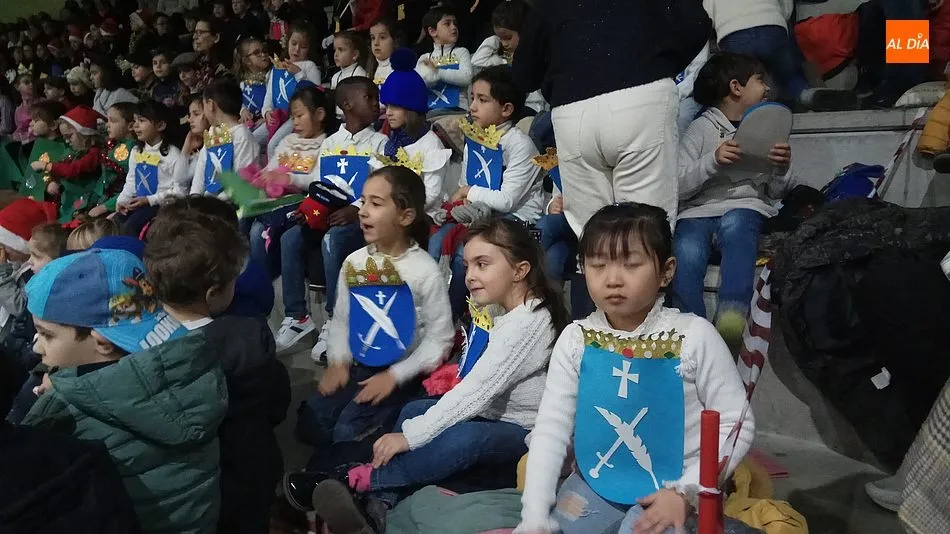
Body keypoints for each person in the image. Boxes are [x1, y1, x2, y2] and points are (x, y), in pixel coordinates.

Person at [291, 217, 567, 532]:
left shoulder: (530, 322)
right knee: (414, 410)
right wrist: (412, 431)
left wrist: (409, 438)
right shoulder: (498, 307)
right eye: (468, 265)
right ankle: (381, 500)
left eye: (482, 264)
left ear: (520, 270)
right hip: (493, 413)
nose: (470, 276)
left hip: (524, 429)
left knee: (464, 439)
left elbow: (475, 393)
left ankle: (354, 479)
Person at [516, 203, 755, 534]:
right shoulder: (575, 339)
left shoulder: (695, 336)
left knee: (636, 528)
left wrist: (686, 492)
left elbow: (736, 422)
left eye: (631, 265)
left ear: (667, 271)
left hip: (675, 486)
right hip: (600, 480)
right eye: (598, 265)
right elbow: (552, 427)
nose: (613, 279)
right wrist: (534, 514)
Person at [20, 248, 228, 534]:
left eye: (46, 334)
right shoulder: (196, 368)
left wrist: (61, 395)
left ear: (103, 343)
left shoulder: (59, 415)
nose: (37, 346)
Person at [144, 197, 292, 534]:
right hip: (245, 474)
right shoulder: (248, 337)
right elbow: (276, 400)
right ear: (214, 293)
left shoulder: (141, 343)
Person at [512, 0, 711, 236]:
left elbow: (523, 75)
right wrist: (660, 62)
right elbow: (696, 23)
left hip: (572, 110)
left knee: (593, 234)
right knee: (645, 228)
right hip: (642, 95)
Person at [294, 166, 454, 460]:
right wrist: (339, 362)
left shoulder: (424, 271)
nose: (363, 211)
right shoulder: (354, 263)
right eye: (363, 201)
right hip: (361, 366)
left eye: (376, 203)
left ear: (405, 216)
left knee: (346, 435)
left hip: (402, 374)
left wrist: (395, 376)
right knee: (311, 424)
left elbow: (440, 339)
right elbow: (342, 320)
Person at [670, 53, 792, 348]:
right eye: (759, 80)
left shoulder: (769, 130)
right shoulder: (700, 129)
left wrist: (781, 168)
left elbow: (776, 192)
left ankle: (732, 315)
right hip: (697, 211)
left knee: (739, 226)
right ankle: (691, 327)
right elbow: (678, 185)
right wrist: (712, 161)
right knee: (686, 248)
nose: (766, 88)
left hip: (745, 206)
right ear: (736, 87)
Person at [441, 65, 543, 318]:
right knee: (436, 242)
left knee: (464, 256)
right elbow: (465, 188)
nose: (473, 107)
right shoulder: (474, 140)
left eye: (482, 100)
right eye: (472, 98)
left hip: (518, 221)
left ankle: (455, 320)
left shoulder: (520, 145)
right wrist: (466, 198)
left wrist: (468, 191)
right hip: (482, 215)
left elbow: (506, 200)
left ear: (506, 109)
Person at [305, 77, 387, 357]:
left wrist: (356, 208)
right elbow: (318, 184)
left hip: (361, 218)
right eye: (370, 97)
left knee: (333, 239)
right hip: (331, 213)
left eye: (377, 98)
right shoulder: (330, 142)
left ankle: (334, 319)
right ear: (347, 104)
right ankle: (296, 317)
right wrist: (311, 208)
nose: (377, 104)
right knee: (289, 238)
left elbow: (380, 187)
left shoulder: (380, 142)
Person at [250, 84, 332, 350]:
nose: (294, 122)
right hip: (279, 202)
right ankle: (259, 294)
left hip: (305, 203)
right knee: (251, 226)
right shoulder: (287, 142)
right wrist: (263, 179)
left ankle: (295, 313)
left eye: (299, 115)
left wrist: (289, 179)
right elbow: (272, 168)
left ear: (319, 114)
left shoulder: (326, 143)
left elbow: (318, 180)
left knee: (276, 235)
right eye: (292, 116)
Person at [708, 0, 857, 110]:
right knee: (789, 76)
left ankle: (756, 114)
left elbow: (707, 14)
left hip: (734, 34)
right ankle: (808, 96)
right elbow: (787, 7)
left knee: (743, 83)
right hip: (772, 26)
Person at [371, 47, 451, 221]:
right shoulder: (392, 142)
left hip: (424, 217)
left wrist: (394, 210)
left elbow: (430, 196)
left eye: (395, 107)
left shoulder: (431, 144)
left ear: (412, 109)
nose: (388, 113)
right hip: (393, 215)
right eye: (387, 106)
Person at [115, 100, 188, 236]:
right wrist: (122, 201)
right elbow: (131, 181)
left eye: (142, 120)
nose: (135, 125)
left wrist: (149, 200)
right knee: (116, 221)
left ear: (160, 125)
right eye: (135, 120)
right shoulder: (136, 151)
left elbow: (180, 191)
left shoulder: (173, 154)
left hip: (161, 205)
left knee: (132, 227)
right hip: (139, 202)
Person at [30, 105, 104, 221]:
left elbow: (73, 169)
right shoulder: (72, 151)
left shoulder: (94, 153)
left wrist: (46, 166)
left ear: (84, 133)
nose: (66, 141)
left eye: (69, 136)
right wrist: (52, 181)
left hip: (86, 202)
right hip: (67, 201)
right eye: (64, 137)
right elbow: (61, 166)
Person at [263, 22, 323, 160]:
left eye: (303, 46)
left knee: (273, 145)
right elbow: (270, 95)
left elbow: (315, 93)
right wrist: (266, 111)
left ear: (310, 49)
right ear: (287, 42)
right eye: (294, 43)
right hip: (276, 115)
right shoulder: (277, 67)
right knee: (254, 137)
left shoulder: (309, 66)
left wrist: (298, 73)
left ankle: (274, 172)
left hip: (295, 116)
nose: (297, 49)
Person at [190, 79, 259, 196]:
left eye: (204, 106)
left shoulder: (242, 136)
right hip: (209, 202)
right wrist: (194, 198)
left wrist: (213, 202)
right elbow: (199, 176)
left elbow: (242, 181)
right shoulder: (212, 134)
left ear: (210, 105)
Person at [84, 102, 137, 219]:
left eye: (113, 121)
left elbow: (133, 185)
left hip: (118, 204)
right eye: (107, 120)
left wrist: (106, 206)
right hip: (102, 199)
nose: (107, 125)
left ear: (130, 126)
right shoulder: (113, 144)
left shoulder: (133, 150)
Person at [416, 6, 472, 113]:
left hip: (458, 112)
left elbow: (467, 77)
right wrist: (429, 79)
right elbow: (417, 85)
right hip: (430, 112)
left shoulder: (462, 52)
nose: (454, 27)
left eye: (455, 23)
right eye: (447, 24)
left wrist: (438, 73)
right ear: (432, 31)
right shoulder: (425, 58)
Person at [235, 37, 270, 146]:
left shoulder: (272, 77)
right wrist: (243, 111)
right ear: (247, 61)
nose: (263, 55)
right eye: (257, 53)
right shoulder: (243, 83)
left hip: (267, 123)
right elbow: (240, 101)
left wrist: (266, 118)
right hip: (250, 124)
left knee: (248, 143)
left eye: (264, 51)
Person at [369, 18, 399, 86]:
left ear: (395, 41)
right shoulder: (370, 69)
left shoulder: (401, 70)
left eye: (382, 37)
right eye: (373, 38)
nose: (376, 43)